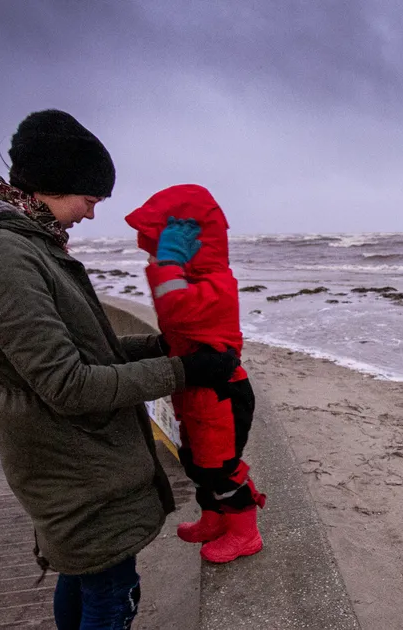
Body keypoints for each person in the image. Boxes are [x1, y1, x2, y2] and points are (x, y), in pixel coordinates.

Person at [0, 109, 238, 629]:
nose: (93, 214)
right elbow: (68, 384)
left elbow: (81, 351)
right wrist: (183, 372)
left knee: (84, 576)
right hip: (73, 457)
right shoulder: (1, 254)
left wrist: (162, 346)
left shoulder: (22, 241)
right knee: (109, 589)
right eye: (92, 199)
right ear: (58, 185)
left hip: (72, 451)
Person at [124, 184, 266, 564]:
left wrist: (169, 263)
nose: (155, 256)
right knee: (196, 461)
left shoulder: (216, 283)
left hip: (222, 395)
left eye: (160, 246)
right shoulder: (195, 278)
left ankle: (244, 532)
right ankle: (215, 518)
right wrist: (169, 262)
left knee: (221, 467)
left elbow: (176, 311)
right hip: (197, 393)